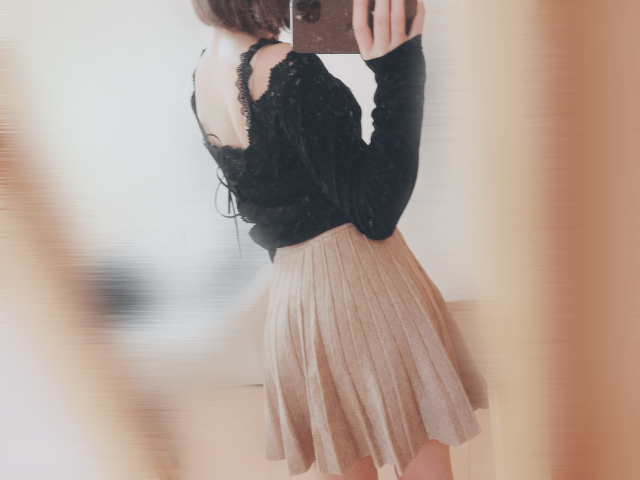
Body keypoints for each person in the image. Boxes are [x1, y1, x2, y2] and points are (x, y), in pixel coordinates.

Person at [189, 0, 488, 478]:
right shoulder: (288, 70)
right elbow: (376, 211)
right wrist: (400, 69)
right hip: (362, 288)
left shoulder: (204, 74)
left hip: (294, 306)